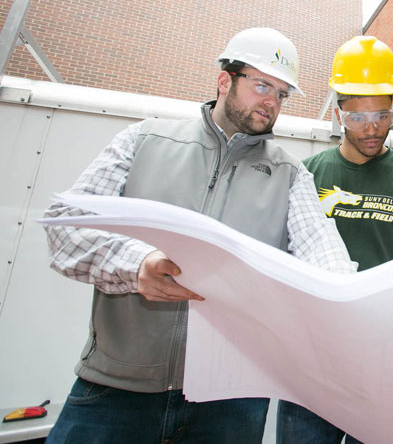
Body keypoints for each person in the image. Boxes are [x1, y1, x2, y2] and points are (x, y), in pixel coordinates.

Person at [43, 27, 356, 443]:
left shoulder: (290, 174)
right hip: (117, 388)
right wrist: (136, 265)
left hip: (232, 402)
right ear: (225, 80)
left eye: (281, 93)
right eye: (262, 85)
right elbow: (66, 225)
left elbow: (325, 257)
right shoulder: (145, 140)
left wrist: (353, 301)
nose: (272, 101)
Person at [276, 35, 393, 443]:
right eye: (358, 118)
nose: (373, 129)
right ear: (338, 114)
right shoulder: (305, 176)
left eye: (383, 116)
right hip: (312, 366)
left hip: (383, 364)